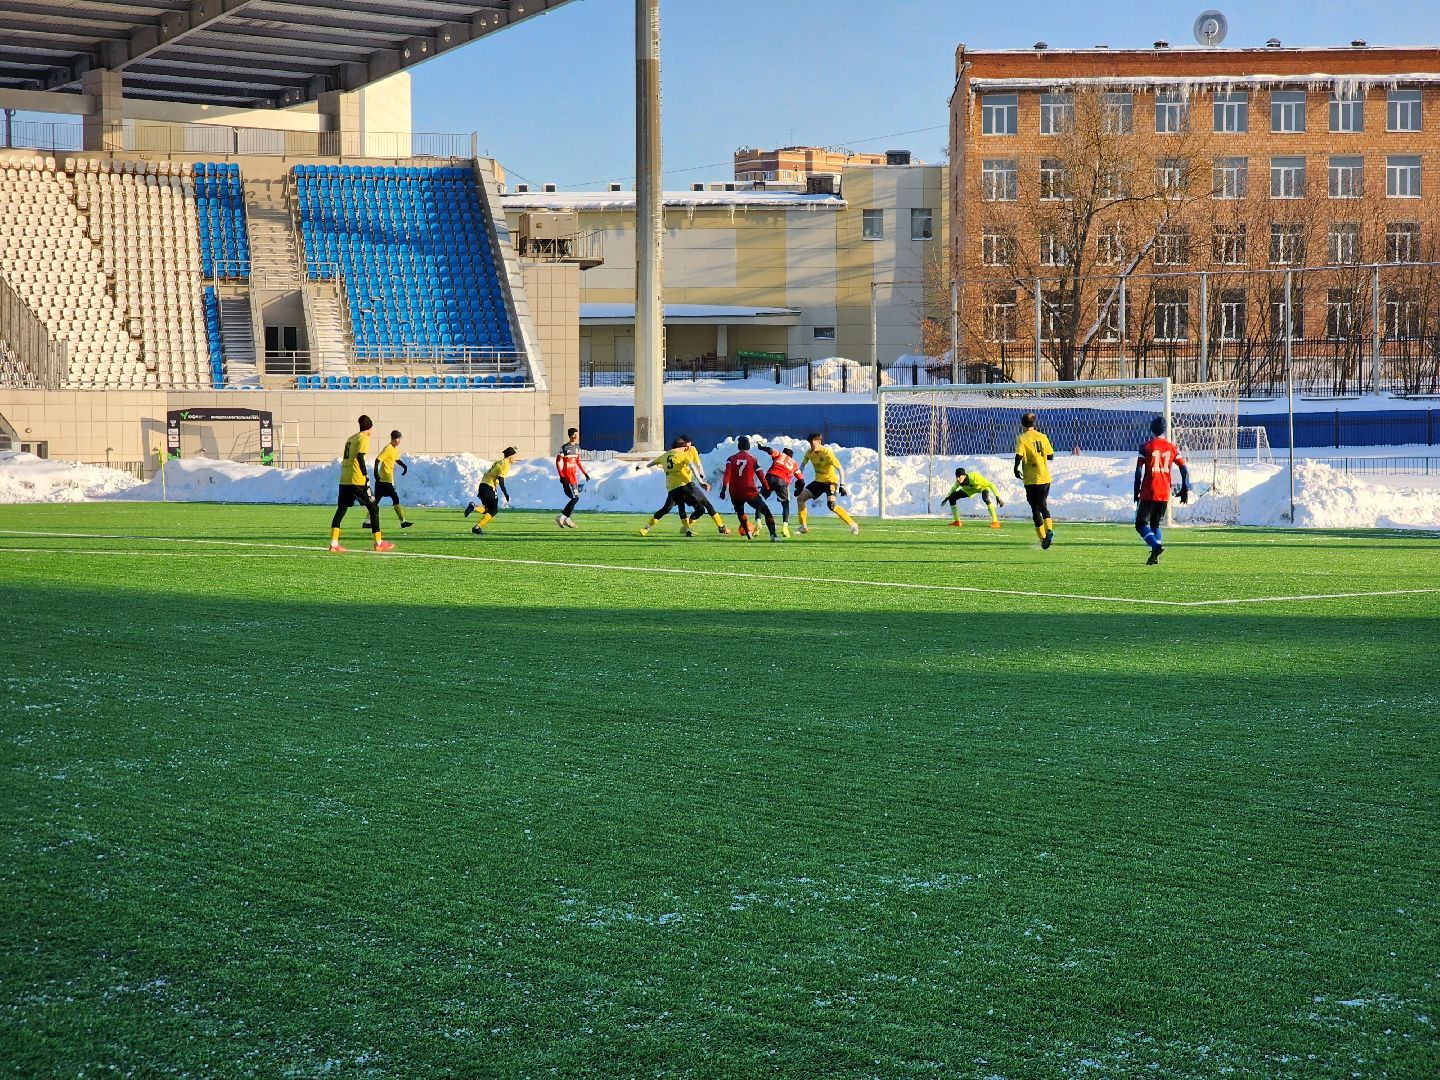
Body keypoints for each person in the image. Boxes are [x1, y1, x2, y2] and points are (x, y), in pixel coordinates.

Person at [329, 414, 393, 553]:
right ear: (370, 427)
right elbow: (360, 457)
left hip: (344, 479)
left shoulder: (351, 438)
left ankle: (334, 543)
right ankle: (378, 543)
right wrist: (365, 474)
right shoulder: (364, 438)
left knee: (341, 509)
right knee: (374, 508)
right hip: (357, 479)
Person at [639, 437, 724, 536]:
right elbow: (693, 467)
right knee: (705, 504)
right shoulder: (683, 455)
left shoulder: (664, 456)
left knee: (679, 507)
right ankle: (721, 527)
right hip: (685, 485)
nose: (687, 449)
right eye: (685, 447)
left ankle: (647, 528)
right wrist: (701, 482)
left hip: (673, 488)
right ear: (681, 447)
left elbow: (650, 464)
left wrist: (640, 466)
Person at [1135, 417, 1191, 566]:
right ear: (1165, 429)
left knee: (1140, 524)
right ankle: (1155, 556)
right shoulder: (1172, 448)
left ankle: (1155, 546)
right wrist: (1185, 488)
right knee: (1155, 526)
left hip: (1149, 491)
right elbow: (1184, 469)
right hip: (1164, 492)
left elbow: (1138, 471)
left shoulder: (1146, 446)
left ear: (1151, 429)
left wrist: (1136, 489)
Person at [797, 433, 859, 535]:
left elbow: (839, 468)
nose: (811, 446)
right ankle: (803, 526)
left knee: (831, 505)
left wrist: (842, 485)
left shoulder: (827, 453)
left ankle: (853, 524)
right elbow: (802, 465)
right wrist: (799, 479)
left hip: (830, 482)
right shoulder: (809, 453)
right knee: (800, 498)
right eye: (810, 444)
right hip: (818, 482)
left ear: (819, 442)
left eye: (812, 444)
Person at [721, 436, 779, 541]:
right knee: (766, 511)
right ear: (748, 447)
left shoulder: (731, 459)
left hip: (735, 492)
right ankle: (773, 535)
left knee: (741, 512)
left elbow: (727, 474)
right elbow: (761, 474)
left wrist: (724, 488)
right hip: (749, 491)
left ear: (739, 446)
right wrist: (767, 487)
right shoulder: (752, 459)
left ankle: (747, 532)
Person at [1014, 412, 1056, 549]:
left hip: (1031, 479)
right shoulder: (1042, 437)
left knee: (1035, 509)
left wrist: (1015, 468)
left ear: (1022, 425)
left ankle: (1043, 538)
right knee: (1043, 505)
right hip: (1044, 477)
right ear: (1034, 424)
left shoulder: (1022, 438)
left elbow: (1019, 455)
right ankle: (1049, 529)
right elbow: (1050, 456)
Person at [464, 446, 516, 535]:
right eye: (514, 456)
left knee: (488, 509)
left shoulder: (499, 462)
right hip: (489, 487)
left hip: (483, 486)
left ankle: (474, 508)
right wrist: (505, 493)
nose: (515, 458)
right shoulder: (505, 464)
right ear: (510, 456)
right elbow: (501, 480)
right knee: (494, 510)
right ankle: (477, 526)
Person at [369, 430, 413, 530]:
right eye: (400, 439)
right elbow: (377, 460)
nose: (400, 441)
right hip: (384, 481)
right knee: (395, 498)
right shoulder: (388, 448)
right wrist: (376, 474)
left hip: (385, 480)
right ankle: (403, 522)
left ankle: (367, 521)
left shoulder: (394, 448)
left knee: (375, 502)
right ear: (396, 439)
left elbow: (396, 459)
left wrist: (404, 466)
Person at [757, 442, 802, 538]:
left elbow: (770, 450)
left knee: (759, 500)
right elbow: (801, 480)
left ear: (784, 452)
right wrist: (798, 490)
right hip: (782, 481)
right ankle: (785, 527)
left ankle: (758, 523)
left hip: (769, 477)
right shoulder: (794, 463)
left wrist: (761, 447)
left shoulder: (780, 455)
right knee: (785, 505)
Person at [941, 466, 1005, 528]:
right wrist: (947, 497)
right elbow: (954, 488)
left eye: (959, 476)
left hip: (982, 487)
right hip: (969, 491)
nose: (957, 478)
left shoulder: (975, 477)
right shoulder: (959, 481)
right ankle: (957, 521)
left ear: (964, 475)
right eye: (956, 476)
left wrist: (997, 496)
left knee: (985, 498)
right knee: (952, 498)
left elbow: (991, 485)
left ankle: (995, 522)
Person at [554, 427, 590, 530]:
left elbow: (578, 461)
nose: (576, 437)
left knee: (575, 498)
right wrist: (561, 476)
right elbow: (558, 462)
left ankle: (566, 518)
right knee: (575, 498)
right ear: (570, 436)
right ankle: (563, 517)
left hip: (574, 477)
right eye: (574, 435)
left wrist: (585, 473)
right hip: (567, 477)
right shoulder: (564, 448)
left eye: (577, 435)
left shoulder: (578, 447)